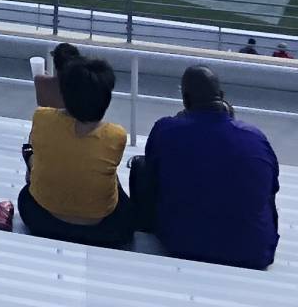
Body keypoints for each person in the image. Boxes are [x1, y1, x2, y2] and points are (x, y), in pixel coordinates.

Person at [131, 65, 278, 270]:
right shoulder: (255, 138)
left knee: (142, 166)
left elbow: (153, 170)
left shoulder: (166, 129)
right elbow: (271, 191)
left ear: (185, 100)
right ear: (222, 97)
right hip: (253, 252)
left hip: (180, 243)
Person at [18, 45, 134, 247]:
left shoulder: (42, 117)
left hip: (43, 221)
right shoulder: (117, 135)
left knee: (25, 195)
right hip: (103, 231)